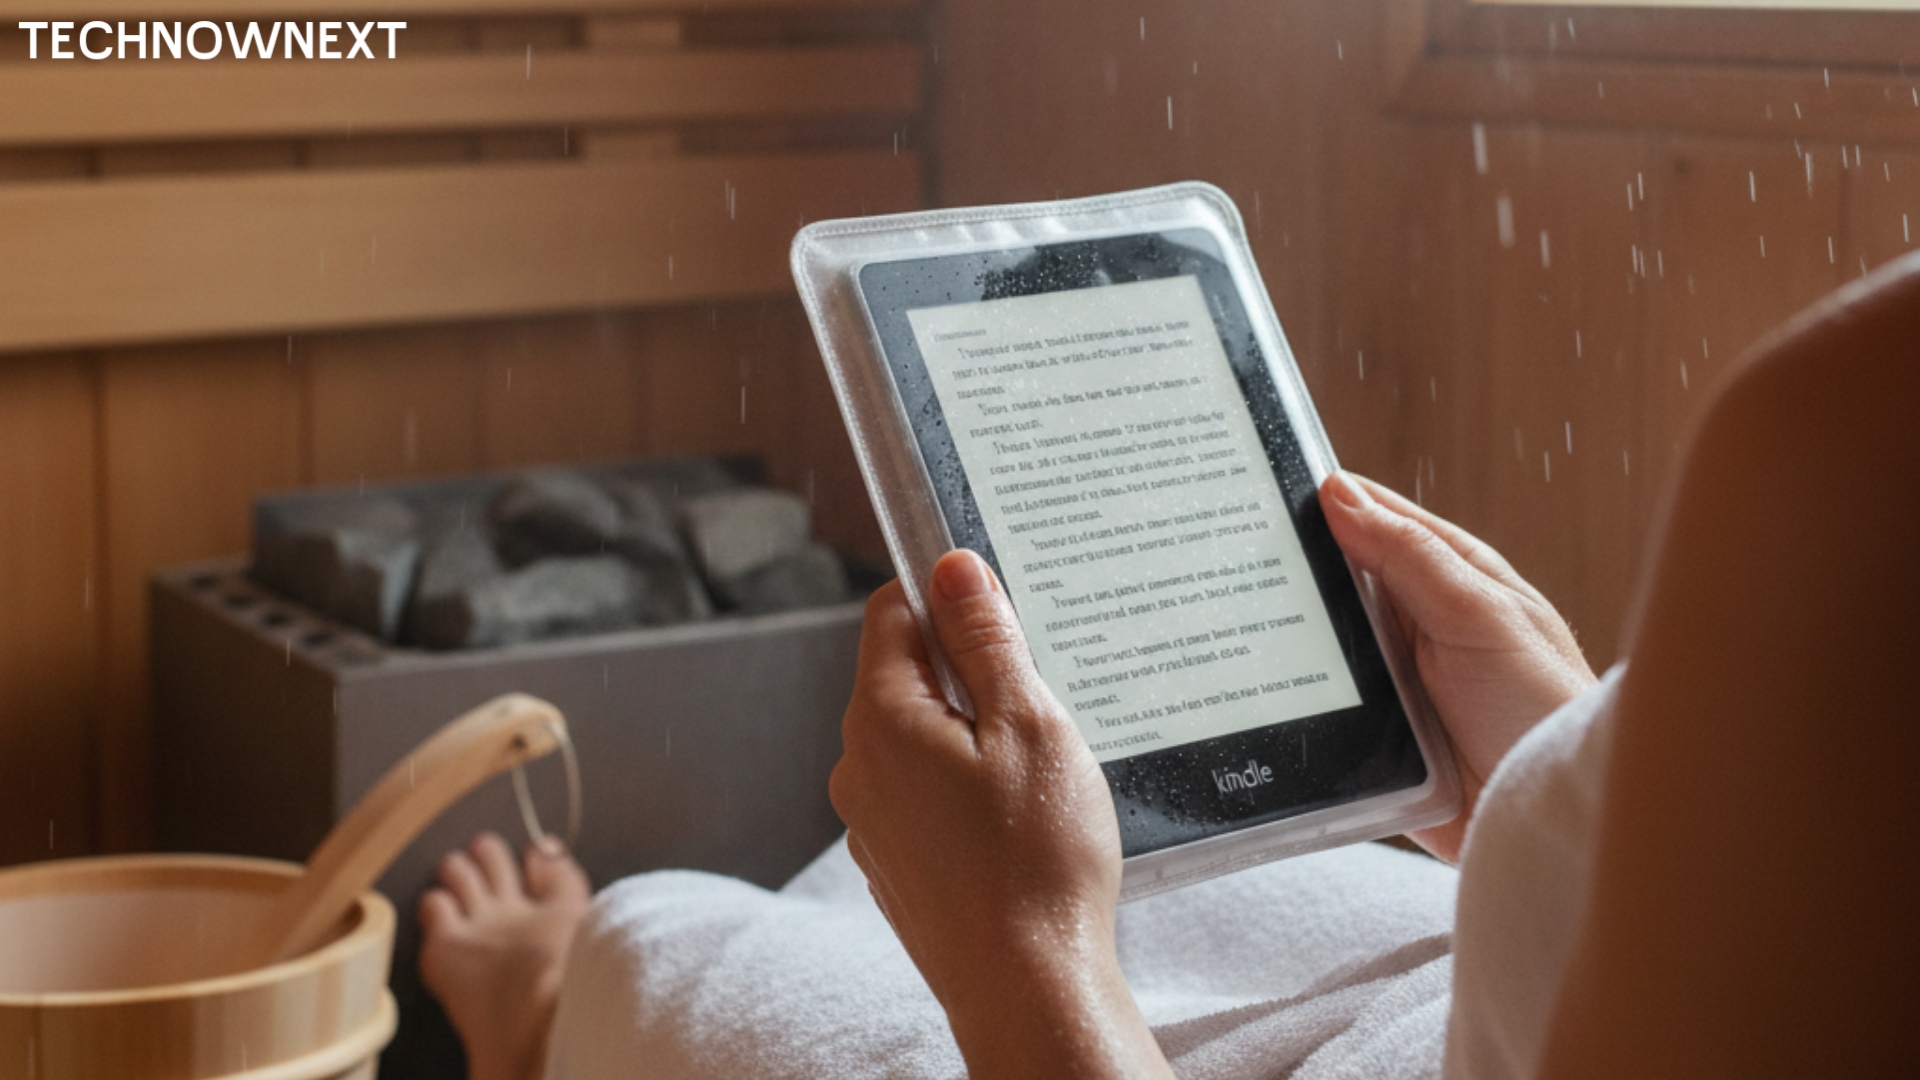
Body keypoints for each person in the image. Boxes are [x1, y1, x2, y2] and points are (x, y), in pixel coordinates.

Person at [420, 252, 1919, 1079]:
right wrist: (1572, 781)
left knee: (679, 945)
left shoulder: (1833, 438)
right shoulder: (1841, 437)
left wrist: (1029, 974)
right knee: (1185, 857)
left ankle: (549, 1016)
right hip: (1477, 995)